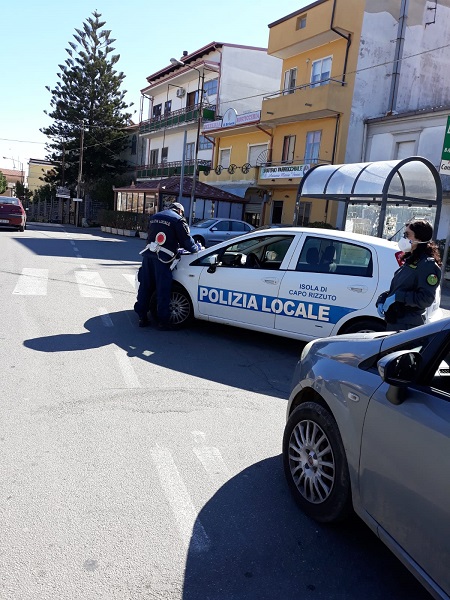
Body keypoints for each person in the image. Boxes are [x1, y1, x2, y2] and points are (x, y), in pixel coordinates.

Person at [134, 202, 202, 330]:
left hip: (148, 256)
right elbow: (187, 242)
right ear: (180, 211)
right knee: (163, 289)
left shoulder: (155, 217)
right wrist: (195, 248)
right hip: (163, 260)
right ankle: (163, 321)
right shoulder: (178, 220)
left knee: (145, 286)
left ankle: (142, 317)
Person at [376, 220, 442, 331]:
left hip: (408, 327)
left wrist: (398, 297)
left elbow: (426, 299)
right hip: (396, 322)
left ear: (419, 239)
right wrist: (382, 299)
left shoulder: (427, 265)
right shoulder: (411, 261)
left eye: (407, 235)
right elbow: (399, 288)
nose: (404, 238)